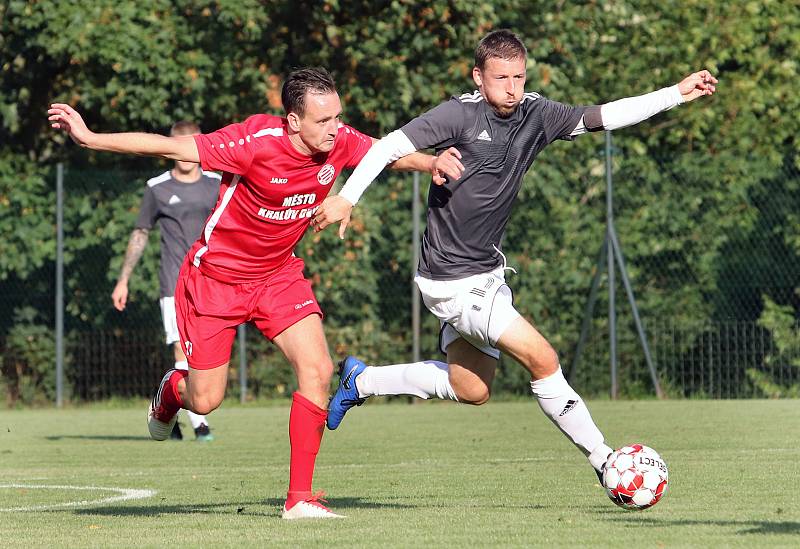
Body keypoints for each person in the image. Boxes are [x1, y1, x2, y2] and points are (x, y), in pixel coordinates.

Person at [48, 67, 463, 519]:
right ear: (292, 120)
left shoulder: (338, 140)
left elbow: (382, 154)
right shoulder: (253, 142)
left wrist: (431, 161)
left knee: (319, 369)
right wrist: (90, 138)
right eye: (322, 121)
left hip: (278, 276)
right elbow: (168, 146)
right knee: (205, 400)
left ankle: (299, 499)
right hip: (216, 281)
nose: (335, 128)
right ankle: (172, 391)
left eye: (337, 117)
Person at [313, 30, 717, 482]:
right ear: (478, 76)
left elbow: (605, 115)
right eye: (501, 77)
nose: (511, 87)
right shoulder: (458, 114)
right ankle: (606, 462)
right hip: (451, 280)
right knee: (543, 359)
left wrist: (676, 94)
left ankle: (361, 381)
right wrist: (347, 198)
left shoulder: (536, 115)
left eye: (519, 76)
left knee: (473, 387)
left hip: (486, 274)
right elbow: (387, 146)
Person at [111, 120, 220, 442]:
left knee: (207, 355)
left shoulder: (218, 183)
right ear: (169, 147)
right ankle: (200, 425)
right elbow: (140, 232)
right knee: (181, 351)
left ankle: (171, 403)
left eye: (192, 143)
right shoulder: (157, 187)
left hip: (214, 283)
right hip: (175, 283)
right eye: (179, 144)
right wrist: (123, 280)